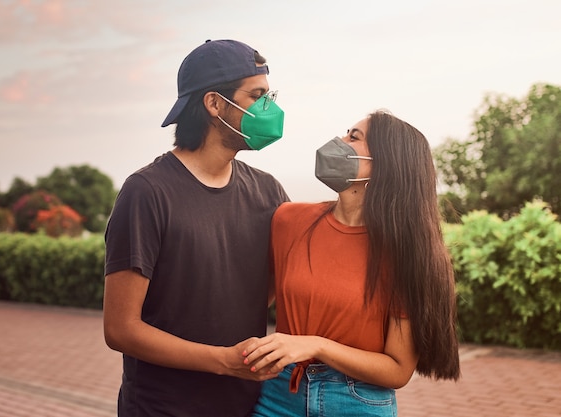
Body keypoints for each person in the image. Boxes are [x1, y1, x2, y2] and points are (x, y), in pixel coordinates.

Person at [103, 39, 289, 417]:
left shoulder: (270, 192)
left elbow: (262, 291)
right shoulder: (147, 192)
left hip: (245, 405)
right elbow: (120, 329)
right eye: (257, 96)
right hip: (161, 408)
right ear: (214, 104)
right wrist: (223, 359)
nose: (270, 108)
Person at [242, 110, 461, 416]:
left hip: (357, 402)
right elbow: (251, 301)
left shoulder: (406, 253)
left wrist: (317, 345)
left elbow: (398, 371)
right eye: (346, 132)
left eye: (354, 137)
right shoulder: (289, 220)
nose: (339, 141)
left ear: (384, 164)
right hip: (279, 394)